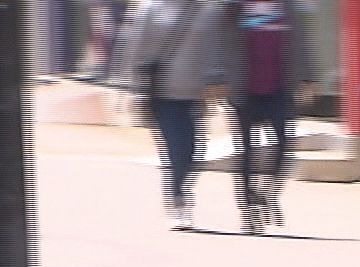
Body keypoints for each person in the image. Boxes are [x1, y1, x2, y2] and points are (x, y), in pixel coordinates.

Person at [203, 0, 314, 235]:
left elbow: (300, 41)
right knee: (246, 152)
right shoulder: (233, 7)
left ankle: (267, 192)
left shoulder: (285, 7)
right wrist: (216, 79)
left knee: (285, 146)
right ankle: (248, 211)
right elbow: (216, 43)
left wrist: (307, 77)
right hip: (243, 91)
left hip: (278, 90)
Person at [120, 0, 217, 230]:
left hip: (195, 94)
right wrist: (134, 89)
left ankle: (181, 192)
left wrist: (213, 83)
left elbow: (213, 50)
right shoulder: (150, 8)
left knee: (195, 150)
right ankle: (179, 202)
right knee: (177, 150)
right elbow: (135, 50)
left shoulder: (206, 9)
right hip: (163, 93)